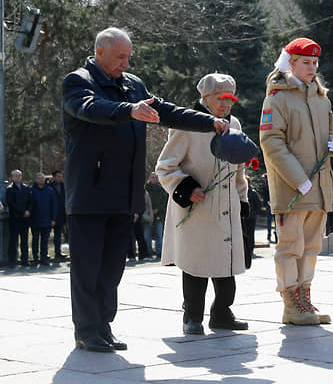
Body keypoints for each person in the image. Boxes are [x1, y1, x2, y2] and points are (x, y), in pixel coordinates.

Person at [62, 27, 228, 353]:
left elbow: (166, 111)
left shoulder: (133, 84)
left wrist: (208, 122)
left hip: (124, 194)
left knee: (111, 268)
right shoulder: (78, 81)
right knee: (88, 268)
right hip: (89, 193)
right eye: (120, 57)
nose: (126, 63)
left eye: (128, 57)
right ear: (100, 53)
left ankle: (103, 327)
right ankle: (86, 330)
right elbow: (90, 108)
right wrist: (129, 110)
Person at [157, 73, 251, 334]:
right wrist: (186, 188)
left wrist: (242, 199)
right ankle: (192, 316)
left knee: (226, 267)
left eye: (230, 99)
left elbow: (239, 168)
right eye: (220, 98)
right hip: (196, 208)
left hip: (227, 206)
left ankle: (222, 314)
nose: (225, 104)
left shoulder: (235, 125)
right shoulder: (186, 124)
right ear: (205, 98)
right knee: (196, 266)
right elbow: (166, 167)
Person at [261, 37, 333, 325]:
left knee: (310, 248)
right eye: (306, 62)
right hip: (292, 189)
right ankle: (290, 304)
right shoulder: (277, 98)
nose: (312, 67)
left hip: (319, 188)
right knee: (290, 247)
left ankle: (304, 299)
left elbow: (327, 137)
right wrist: (298, 179)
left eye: (315, 62)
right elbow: (271, 143)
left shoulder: (321, 98)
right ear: (291, 63)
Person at [29, 172, 57, 266]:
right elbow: (29, 205)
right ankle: (35, 258)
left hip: (47, 220)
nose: (41, 179)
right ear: (35, 179)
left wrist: (53, 219)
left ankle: (44, 258)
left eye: (42, 178)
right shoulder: (31, 190)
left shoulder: (50, 190)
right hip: (35, 220)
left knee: (45, 241)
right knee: (35, 240)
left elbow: (54, 205)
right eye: (39, 178)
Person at [5, 169, 32, 267]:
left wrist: (28, 210)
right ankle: (12, 261)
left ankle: (25, 260)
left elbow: (31, 201)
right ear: (12, 177)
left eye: (19, 175)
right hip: (15, 218)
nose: (18, 177)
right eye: (16, 176)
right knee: (13, 240)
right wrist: (22, 211)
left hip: (25, 219)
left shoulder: (26, 188)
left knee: (24, 240)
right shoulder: (10, 189)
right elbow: (11, 203)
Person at [144, 172, 168, 257]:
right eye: (152, 177)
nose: (154, 179)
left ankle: (159, 252)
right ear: (149, 178)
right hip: (147, 216)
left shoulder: (162, 189)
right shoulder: (145, 189)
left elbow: (165, 202)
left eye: (156, 177)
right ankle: (148, 252)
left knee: (159, 234)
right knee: (147, 235)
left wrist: (158, 209)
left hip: (159, 215)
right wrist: (148, 211)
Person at [49, 170, 68, 260]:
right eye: (58, 176)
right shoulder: (49, 186)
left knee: (58, 235)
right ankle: (44, 255)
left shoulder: (64, 186)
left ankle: (58, 253)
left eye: (61, 176)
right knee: (46, 236)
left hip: (61, 214)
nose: (60, 178)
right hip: (50, 214)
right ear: (54, 177)